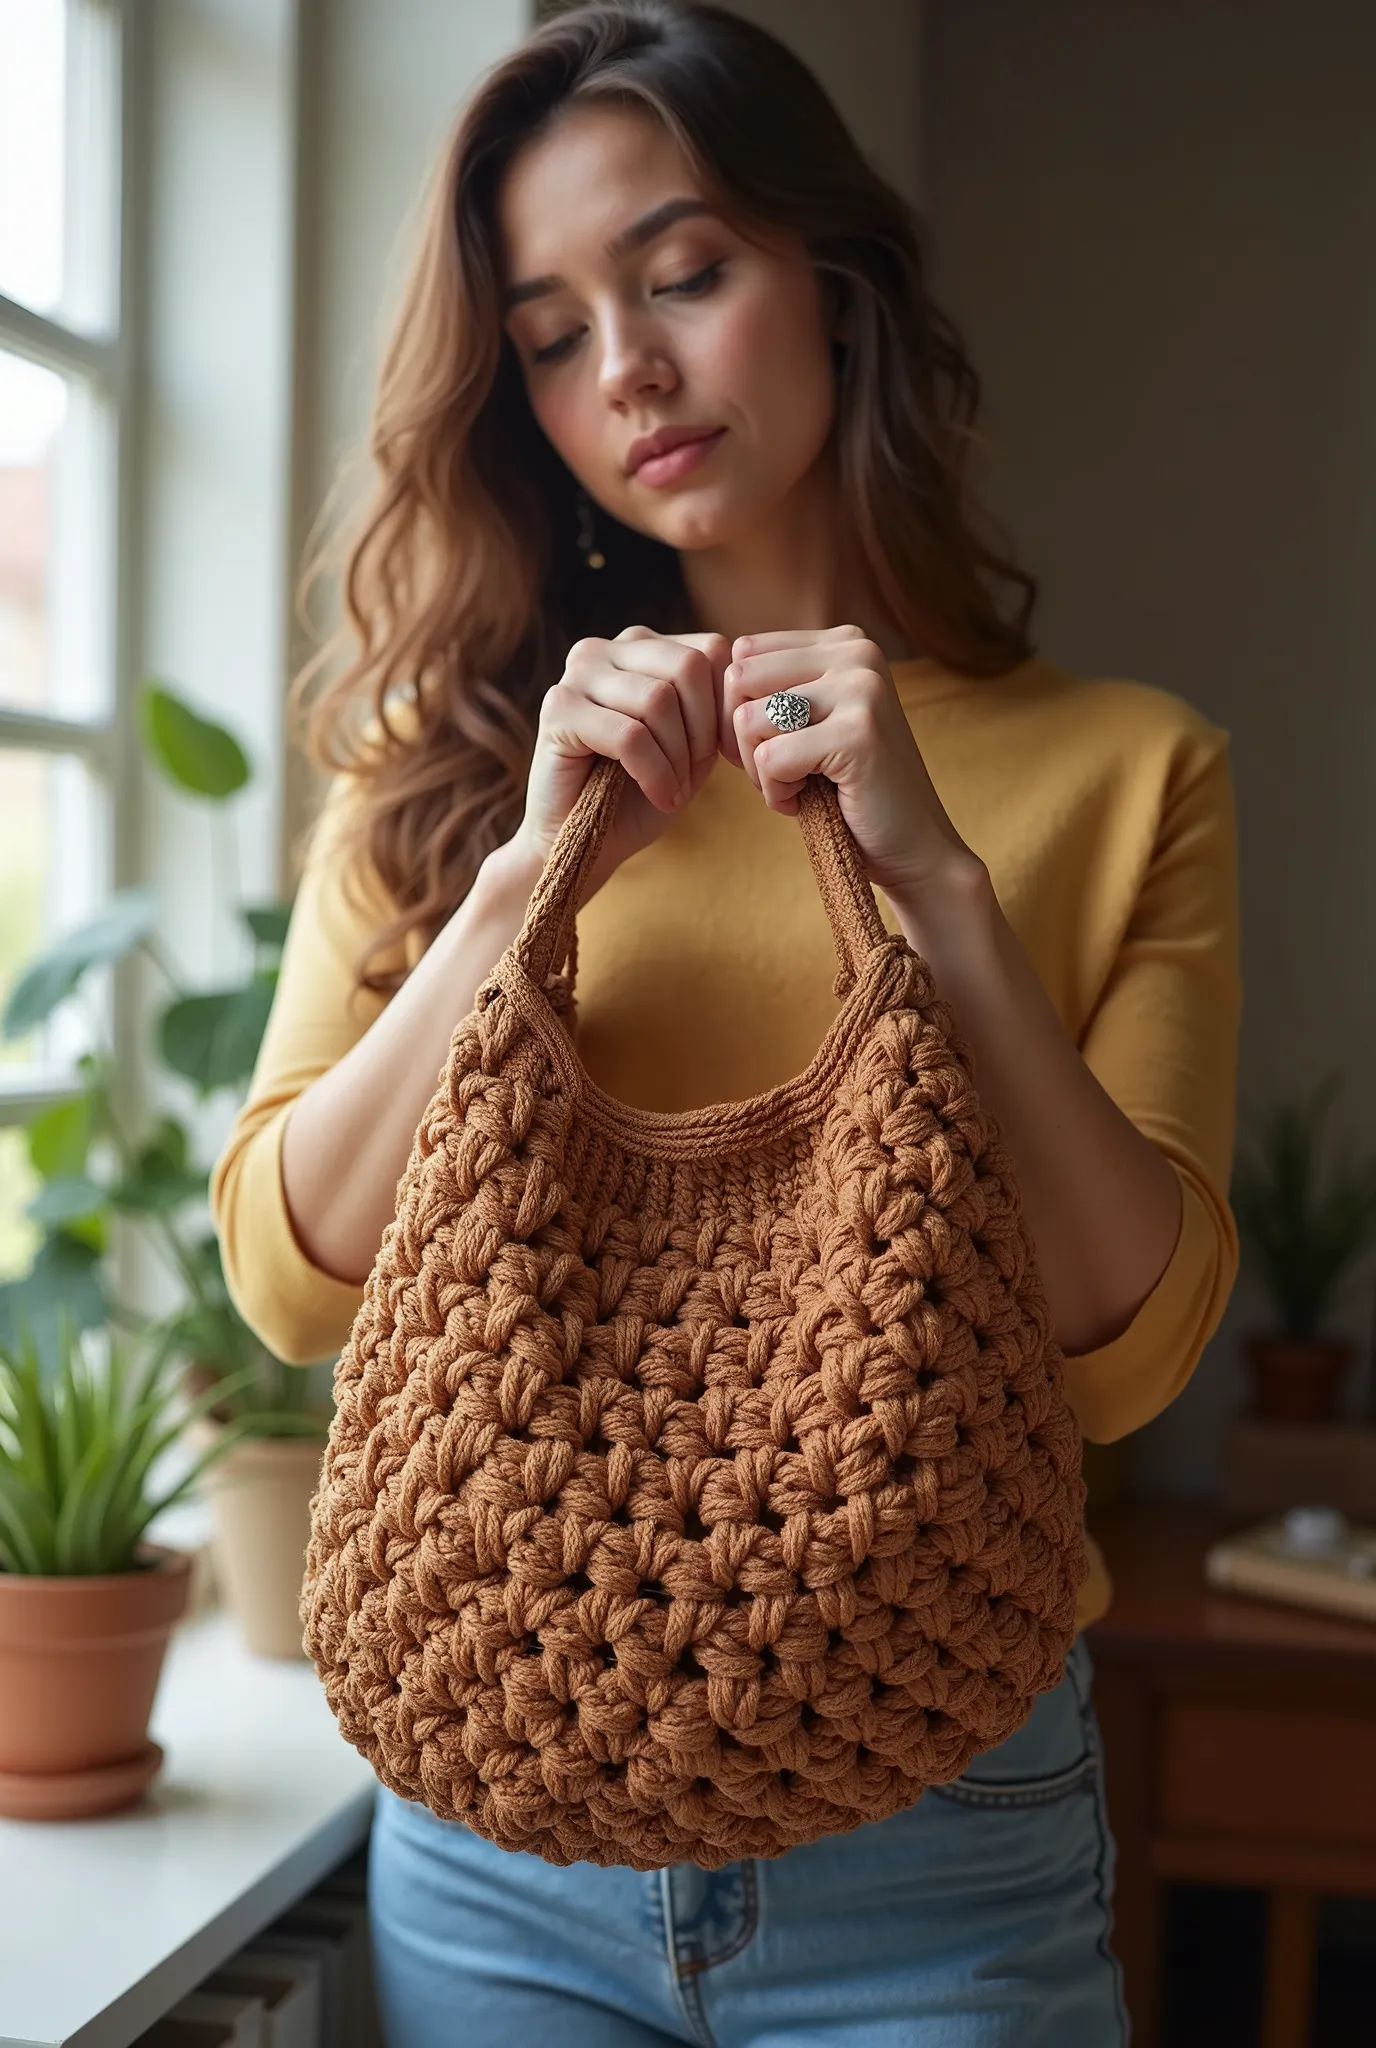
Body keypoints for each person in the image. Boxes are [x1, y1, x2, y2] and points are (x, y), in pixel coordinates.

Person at [210, 3, 1240, 2040]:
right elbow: (287, 1275)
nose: (633, 371)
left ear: (832, 280)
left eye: (683, 273)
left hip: (940, 1826)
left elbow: (1128, 1351)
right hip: (499, 1835)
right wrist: (521, 881)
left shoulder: (1127, 769)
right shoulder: (446, 771)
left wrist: (933, 880)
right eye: (551, 329)